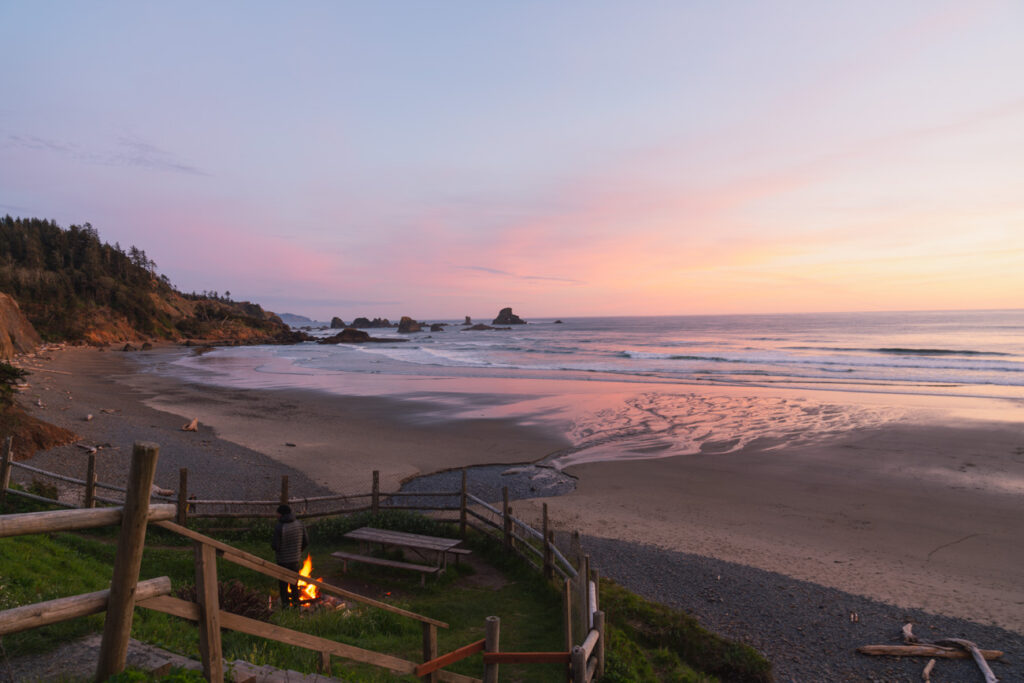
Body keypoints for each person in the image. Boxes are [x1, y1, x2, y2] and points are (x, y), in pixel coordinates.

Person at [271, 504, 309, 607]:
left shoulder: (279, 526)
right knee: (294, 584)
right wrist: (298, 551)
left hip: (283, 560)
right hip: (295, 560)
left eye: (277, 513)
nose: (276, 515)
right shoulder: (300, 524)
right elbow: (306, 541)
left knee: (283, 586)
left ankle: (285, 606)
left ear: (281, 514)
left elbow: (275, 546)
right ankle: (296, 606)